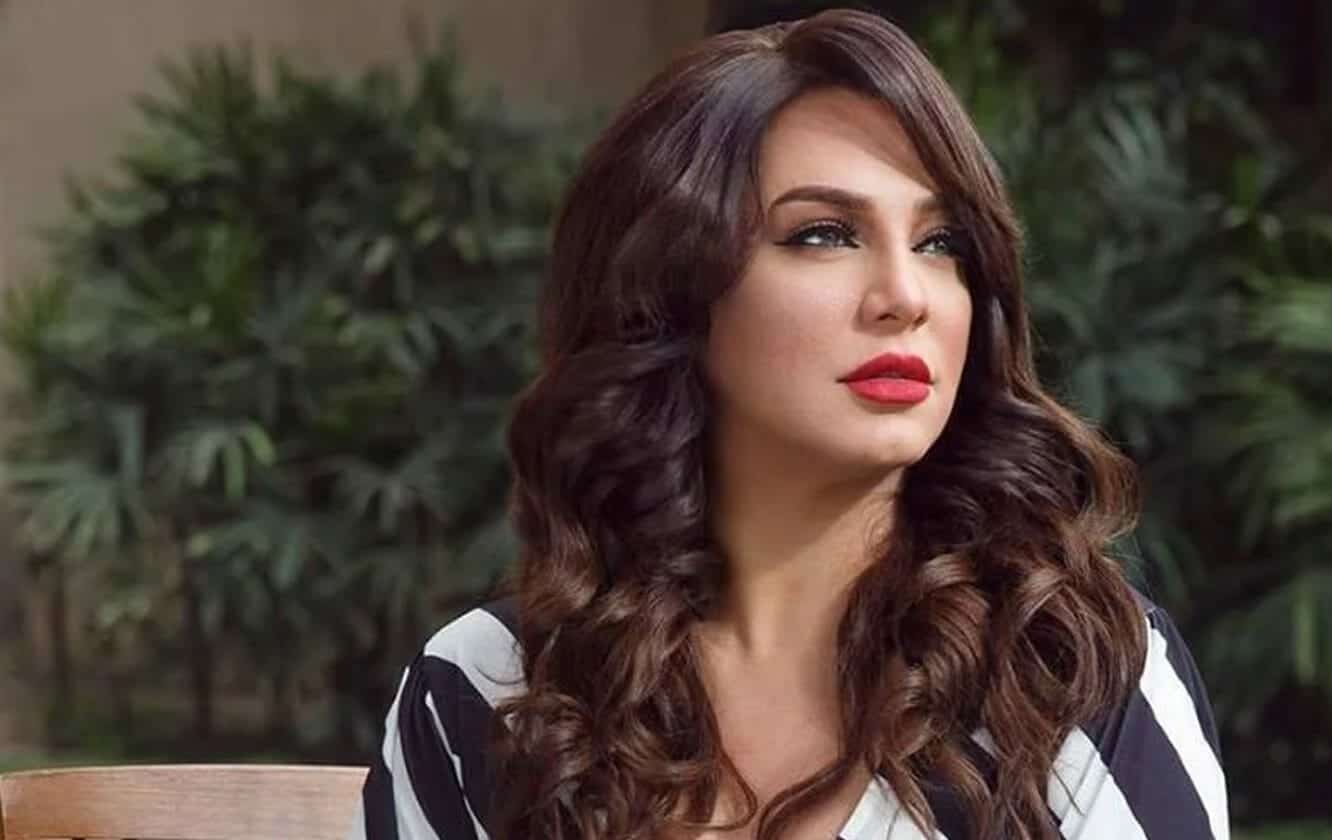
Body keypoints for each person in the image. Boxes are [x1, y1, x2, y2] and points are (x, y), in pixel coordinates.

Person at [350, 8, 1228, 840]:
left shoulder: (1070, 670)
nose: (905, 297)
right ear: (668, 291)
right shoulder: (487, 692)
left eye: (941, 244)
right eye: (823, 234)